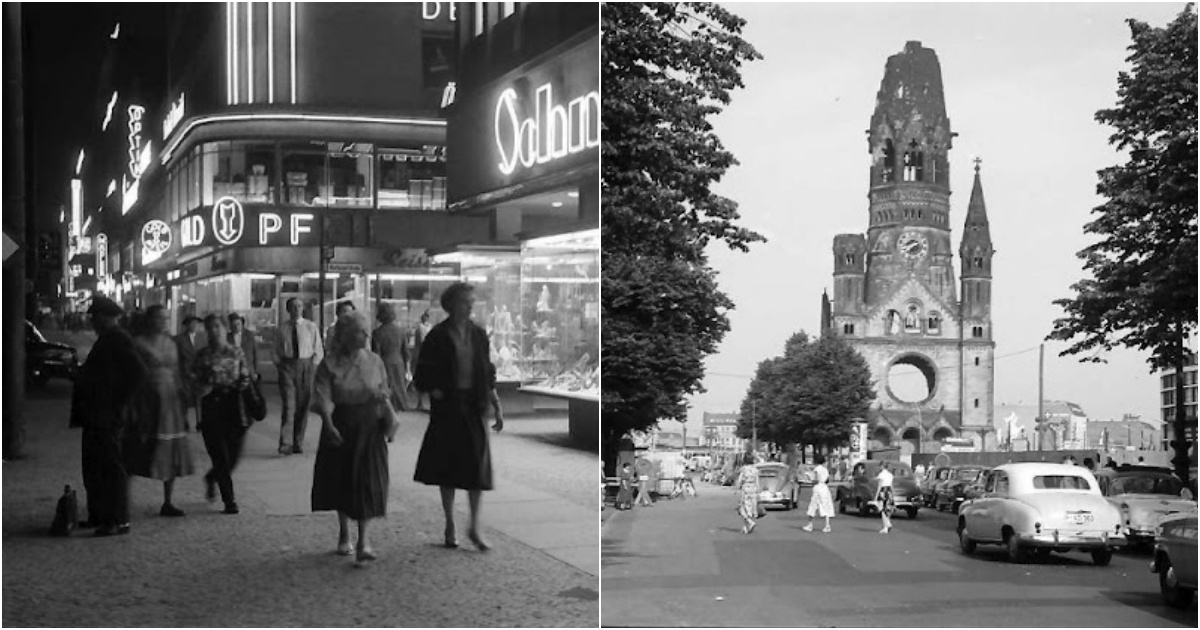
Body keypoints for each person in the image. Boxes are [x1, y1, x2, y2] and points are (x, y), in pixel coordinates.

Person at [413, 282, 504, 551]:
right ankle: (450, 522)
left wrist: (495, 403)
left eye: (471, 301)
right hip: (449, 407)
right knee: (448, 466)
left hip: (473, 405)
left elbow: (487, 370)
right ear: (451, 304)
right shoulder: (438, 336)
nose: (470, 305)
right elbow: (422, 372)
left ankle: (475, 526)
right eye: (465, 301)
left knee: (477, 466)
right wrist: (435, 390)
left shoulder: (478, 334)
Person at [311, 311, 396, 565]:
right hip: (342, 425)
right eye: (359, 331)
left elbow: (383, 389)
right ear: (345, 335)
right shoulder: (329, 364)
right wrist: (328, 424)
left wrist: (387, 413)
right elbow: (322, 396)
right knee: (343, 480)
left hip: (370, 426)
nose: (365, 335)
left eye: (365, 330)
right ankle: (344, 531)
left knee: (368, 481)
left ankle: (364, 540)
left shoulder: (374, 361)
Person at [70, 296, 147, 537]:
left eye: (95, 317)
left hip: (106, 415)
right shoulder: (108, 339)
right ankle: (99, 515)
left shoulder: (117, 339)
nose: (92, 321)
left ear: (106, 316)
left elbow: (138, 372)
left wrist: (117, 403)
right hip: (97, 414)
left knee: (110, 467)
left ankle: (117, 519)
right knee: (94, 466)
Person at [129, 304, 196, 517]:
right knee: (139, 447)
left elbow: (177, 373)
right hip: (148, 400)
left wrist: (183, 398)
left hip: (171, 402)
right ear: (150, 320)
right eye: (159, 318)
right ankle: (124, 499)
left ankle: (168, 500)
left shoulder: (171, 343)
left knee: (171, 449)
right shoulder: (138, 343)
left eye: (166, 318)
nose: (163, 322)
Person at [193, 315, 252, 514]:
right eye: (209, 328)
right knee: (219, 455)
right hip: (212, 406)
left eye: (217, 326)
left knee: (233, 455)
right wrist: (199, 412)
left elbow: (245, 376)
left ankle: (212, 477)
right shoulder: (202, 355)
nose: (213, 331)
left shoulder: (236, 352)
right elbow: (195, 382)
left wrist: (240, 383)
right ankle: (230, 500)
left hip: (234, 405)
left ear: (224, 329)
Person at [274, 297, 324, 455]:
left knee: (303, 405)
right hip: (288, 366)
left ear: (303, 308)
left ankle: (298, 441)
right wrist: (280, 366)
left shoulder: (310, 327)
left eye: (299, 306)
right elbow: (275, 351)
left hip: (306, 366)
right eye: (293, 307)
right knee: (289, 405)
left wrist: (313, 367)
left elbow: (318, 349)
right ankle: (285, 443)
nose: (296, 309)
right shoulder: (281, 329)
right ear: (288, 309)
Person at [371, 303, 411, 413]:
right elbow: (406, 352)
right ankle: (399, 407)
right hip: (399, 363)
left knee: (386, 386)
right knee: (399, 386)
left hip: (384, 363)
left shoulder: (377, 332)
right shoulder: (401, 331)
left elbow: (376, 353)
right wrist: (408, 368)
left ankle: (388, 409)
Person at [175, 315, 204, 425]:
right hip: (185, 373)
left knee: (199, 398)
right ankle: (184, 420)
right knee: (185, 398)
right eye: (192, 324)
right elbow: (177, 357)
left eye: (196, 324)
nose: (194, 326)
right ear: (187, 326)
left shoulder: (202, 338)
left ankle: (199, 421)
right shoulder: (179, 339)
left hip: (199, 373)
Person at [803, 453, 835, 533]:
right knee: (826, 506)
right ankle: (827, 525)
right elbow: (827, 480)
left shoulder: (817, 469)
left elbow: (816, 480)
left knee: (813, 506)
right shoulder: (825, 469)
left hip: (818, 488)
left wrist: (809, 479)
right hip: (824, 488)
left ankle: (810, 524)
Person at [412, 310, 433, 411]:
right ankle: (420, 402)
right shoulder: (421, 327)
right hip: (422, 354)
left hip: (425, 354)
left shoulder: (428, 327)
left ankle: (422, 403)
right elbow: (422, 340)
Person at [227, 313, 259, 380]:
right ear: (230, 326)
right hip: (233, 372)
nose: (236, 327)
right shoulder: (227, 338)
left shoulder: (249, 335)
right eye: (234, 325)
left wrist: (255, 371)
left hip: (249, 371)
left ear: (242, 324)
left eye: (238, 324)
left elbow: (255, 353)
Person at [734, 453, 760, 534]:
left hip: (746, 488)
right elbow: (757, 481)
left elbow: (740, 481)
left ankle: (750, 522)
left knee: (742, 508)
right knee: (750, 508)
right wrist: (758, 492)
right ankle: (746, 527)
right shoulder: (755, 470)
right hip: (754, 489)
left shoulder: (744, 469)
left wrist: (736, 488)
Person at [875, 460, 895, 534]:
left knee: (882, 509)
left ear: (882, 466)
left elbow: (879, 486)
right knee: (887, 509)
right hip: (889, 491)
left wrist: (876, 495)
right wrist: (893, 494)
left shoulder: (881, 475)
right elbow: (891, 485)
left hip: (883, 491)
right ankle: (887, 525)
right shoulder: (890, 475)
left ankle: (886, 525)